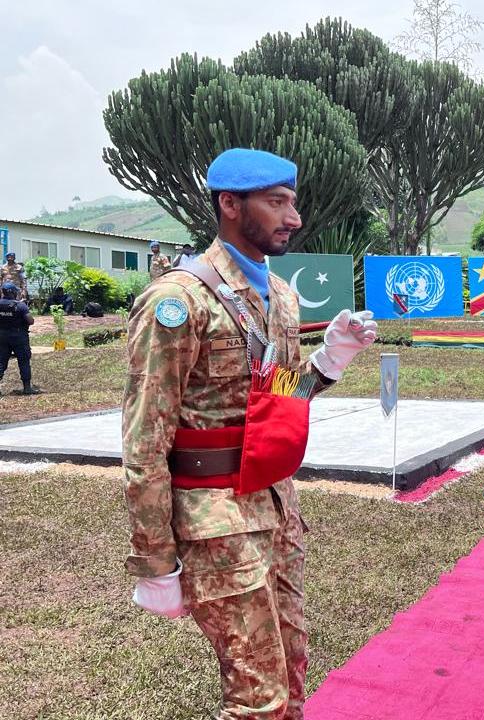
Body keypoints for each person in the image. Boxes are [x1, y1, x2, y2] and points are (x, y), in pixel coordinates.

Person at [122, 148, 378, 719]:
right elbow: (144, 441)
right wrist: (155, 559)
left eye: (293, 202)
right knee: (258, 699)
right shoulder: (177, 300)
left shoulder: (280, 295)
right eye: (277, 202)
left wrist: (329, 361)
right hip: (214, 521)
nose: (294, 218)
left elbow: (280, 398)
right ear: (230, 205)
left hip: (275, 510)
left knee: (291, 672)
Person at [0, 281, 40, 396]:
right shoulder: (20, 305)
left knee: (1, 361)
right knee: (24, 361)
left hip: (2, 337)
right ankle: (27, 388)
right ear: (12, 292)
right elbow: (30, 321)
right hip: (19, 337)